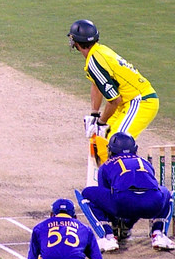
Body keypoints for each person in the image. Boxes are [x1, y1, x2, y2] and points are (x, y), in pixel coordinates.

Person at [68, 19, 159, 168]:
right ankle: (105, 182)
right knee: (100, 140)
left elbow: (114, 101)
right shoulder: (99, 52)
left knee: (116, 143)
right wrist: (94, 114)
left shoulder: (94, 61)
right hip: (126, 102)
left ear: (75, 43)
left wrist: (102, 122)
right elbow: (96, 84)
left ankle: (130, 183)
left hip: (141, 101)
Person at [77, 132, 175, 252]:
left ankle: (108, 236)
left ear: (111, 150)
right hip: (152, 204)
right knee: (166, 192)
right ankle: (158, 234)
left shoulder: (106, 165)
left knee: (88, 193)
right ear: (134, 149)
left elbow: (106, 198)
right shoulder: (145, 162)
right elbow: (149, 186)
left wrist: (117, 224)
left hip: (123, 203)